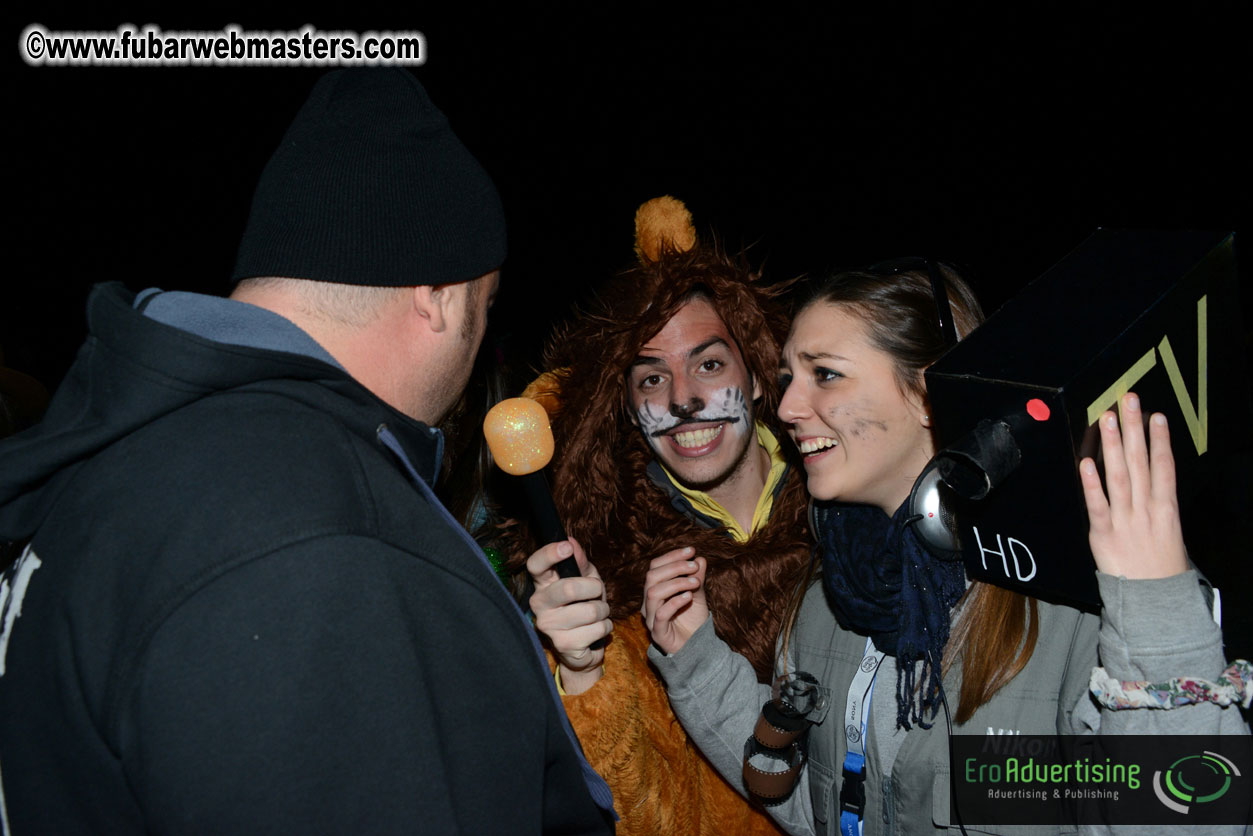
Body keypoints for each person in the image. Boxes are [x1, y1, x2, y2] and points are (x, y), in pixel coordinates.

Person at [0, 69, 614, 834]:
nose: (479, 338)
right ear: (438, 293)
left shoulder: (125, 452)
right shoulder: (325, 540)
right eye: (485, 307)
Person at [645, 265, 1250, 835]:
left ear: (926, 392)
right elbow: (818, 811)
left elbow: (1187, 812)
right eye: (786, 380)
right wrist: (696, 657)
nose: (785, 409)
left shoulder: (1073, 610)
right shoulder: (826, 602)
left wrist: (1157, 613)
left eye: (824, 374)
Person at [508, 196, 812, 835]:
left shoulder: (853, 514)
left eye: (709, 364)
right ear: (628, 407)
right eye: (651, 379)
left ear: (758, 375)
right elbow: (645, 818)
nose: (682, 400)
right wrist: (584, 670)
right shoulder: (615, 570)